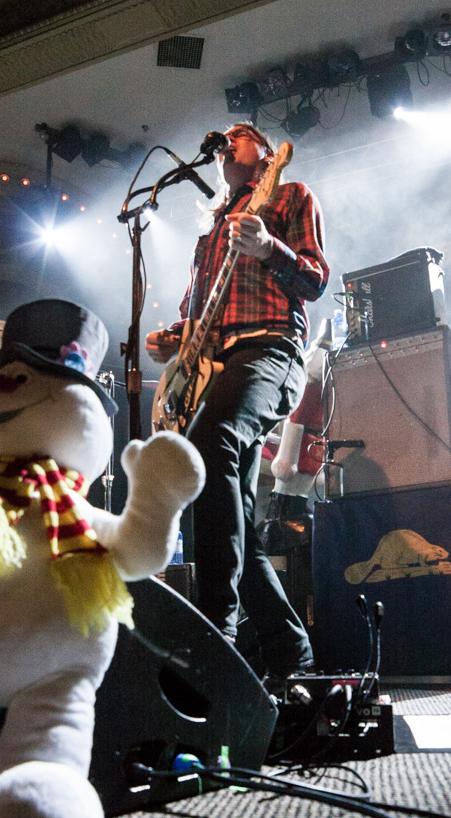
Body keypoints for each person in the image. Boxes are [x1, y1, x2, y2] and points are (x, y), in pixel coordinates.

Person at [146, 122, 329, 692]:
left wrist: (269, 248)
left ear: (267, 155)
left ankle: (215, 633)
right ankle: (291, 654)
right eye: (223, 138)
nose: (227, 140)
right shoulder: (210, 236)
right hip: (215, 368)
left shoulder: (289, 195)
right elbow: (196, 314)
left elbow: (315, 280)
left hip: (270, 349)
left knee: (210, 445)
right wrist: (173, 338)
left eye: (240, 134)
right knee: (235, 521)